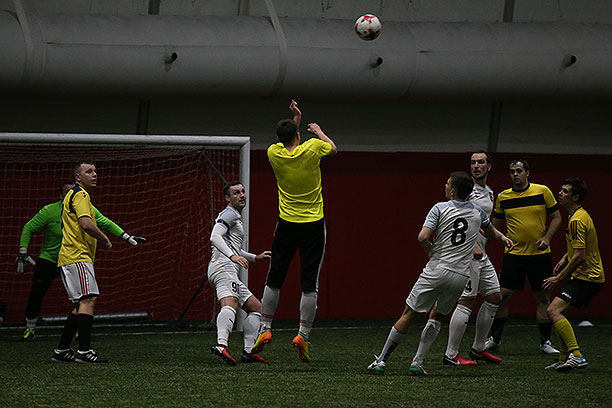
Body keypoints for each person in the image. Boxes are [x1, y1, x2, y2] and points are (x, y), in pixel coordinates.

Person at [367, 172, 513, 375]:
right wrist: (503, 238)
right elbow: (490, 233)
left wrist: (431, 251)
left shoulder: (439, 208)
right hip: (460, 276)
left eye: (447, 184)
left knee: (408, 314)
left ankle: (381, 360)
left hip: (437, 269)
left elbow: (422, 237)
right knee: (437, 315)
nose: (445, 185)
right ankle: (418, 361)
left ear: (452, 191)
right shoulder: (478, 212)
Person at [252, 99, 337, 363]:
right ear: (299, 135)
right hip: (313, 224)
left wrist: (295, 120)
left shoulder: (273, 153)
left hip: (286, 223)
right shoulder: (312, 148)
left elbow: (289, 139)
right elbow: (333, 148)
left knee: (274, 277)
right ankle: (303, 335)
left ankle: (265, 328)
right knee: (309, 283)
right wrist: (318, 131)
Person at [15, 182, 145, 342]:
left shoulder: (85, 208)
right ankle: (30, 329)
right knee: (37, 293)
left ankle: (76, 334)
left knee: (82, 298)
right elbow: (28, 227)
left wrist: (126, 236)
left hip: (72, 259)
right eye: (67, 193)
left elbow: (105, 222)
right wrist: (23, 251)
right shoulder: (49, 211)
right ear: (61, 196)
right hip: (50, 259)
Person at [51, 161, 143, 363]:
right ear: (78, 177)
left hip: (71, 257)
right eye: (89, 171)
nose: (94, 174)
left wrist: (126, 236)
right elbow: (86, 224)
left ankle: (61, 351)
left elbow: (101, 220)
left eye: (95, 171)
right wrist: (104, 238)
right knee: (88, 300)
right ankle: (84, 351)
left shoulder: (76, 196)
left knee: (80, 304)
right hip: (77, 255)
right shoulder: (81, 195)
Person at [486, 159, 562, 354]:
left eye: (519, 171)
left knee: (543, 297)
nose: (515, 175)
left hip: (539, 255)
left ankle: (545, 342)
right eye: (512, 171)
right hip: (513, 255)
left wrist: (547, 237)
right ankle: (494, 340)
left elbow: (557, 218)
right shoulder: (503, 197)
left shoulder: (542, 191)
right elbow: (494, 226)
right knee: (502, 296)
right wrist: (498, 237)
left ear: (527, 173)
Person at [436, 151, 503, 366]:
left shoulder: (489, 192)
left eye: (480, 162)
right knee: (466, 301)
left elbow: (482, 223)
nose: (476, 166)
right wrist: (472, 244)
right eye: (473, 162)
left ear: (489, 166)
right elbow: (459, 217)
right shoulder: (467, 191)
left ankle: (478, 348)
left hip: (482, 254)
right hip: (467, 255)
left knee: (494, 296)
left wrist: (499, 237)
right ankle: (451, 354)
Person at [542, 178, 604, 371]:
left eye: (565, 191)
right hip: (586, 276)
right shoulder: (578, 215)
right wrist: (565, 257)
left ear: (575, 197)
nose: (560, 193)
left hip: (588, 278)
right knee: (557, 312)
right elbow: (579, 248)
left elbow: (580, 256)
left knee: (553, 311)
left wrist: (558, 278)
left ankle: (577, 356)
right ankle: (564, 357)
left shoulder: (577, 220)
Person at [208, 181, 271, 366]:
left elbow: (234, 248)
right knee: (230, 304)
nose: (242, 195)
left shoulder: (234, 215)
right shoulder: (229, 213)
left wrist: (255, 257)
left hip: (226, 267)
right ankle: (221, 345)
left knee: (256, 308)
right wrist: (232, 256)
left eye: (243, 191)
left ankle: (248, 352)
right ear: (227, 198)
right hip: (223, 267)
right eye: (236, 193)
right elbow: (214, 236)